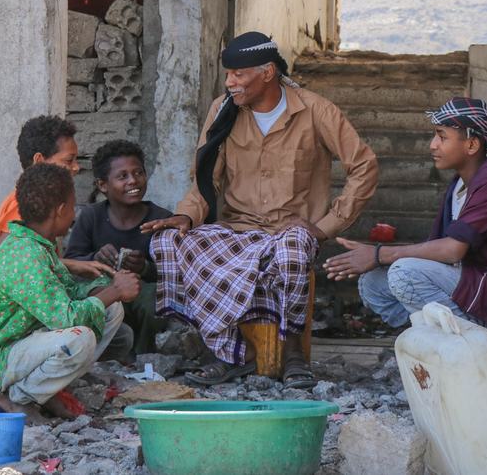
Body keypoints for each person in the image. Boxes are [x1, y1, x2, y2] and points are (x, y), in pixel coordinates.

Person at [142, 31, 379, 388]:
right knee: (169, 242)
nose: (230, 82)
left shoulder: (316, 110)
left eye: (238, 74)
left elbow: (364, 166)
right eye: (227, 75)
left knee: (294, 247)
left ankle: (293, 352)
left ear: (267, 73)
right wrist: (186, 216)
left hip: (291, 232)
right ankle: (229, 351)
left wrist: (327, 225)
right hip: (237, 230)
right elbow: (207, 180)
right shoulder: (223, 111)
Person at [325, 97, 487, 328]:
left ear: (472, 145)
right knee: (372, 282)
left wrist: (378, 255)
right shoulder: (460, 183)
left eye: (442, 137)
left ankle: (476, 339)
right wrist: (378, 258)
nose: (433, 144)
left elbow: (452, 250)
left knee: (403, 273)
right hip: (469, 283)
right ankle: (432, 336)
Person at [0, 163, 141, 423]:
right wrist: (115, 290)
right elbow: (66, 318)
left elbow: (69, 292)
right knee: (80, 338)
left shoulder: (39, 245)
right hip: (0, 359)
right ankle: (18, 398)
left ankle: (48, 387)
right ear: (60, 210)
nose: (74, 214)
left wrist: (105, 288)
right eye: (72, 207)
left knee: (111, 310)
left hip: (26, 341)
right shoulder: (24, 254)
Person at [0, 115, 114, 324]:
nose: (76, 168)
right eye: (68, 160)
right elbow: (14, 264)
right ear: (39, 161)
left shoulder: (31, 200)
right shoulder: (21, 205)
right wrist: (72, 267)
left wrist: (71, 265)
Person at [65, 140, 172, 356]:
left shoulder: (161, 220)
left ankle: (144, 357)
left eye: (138, 173)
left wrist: (144, 269)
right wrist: (96, 258)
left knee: (154, 300)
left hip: (144, 299)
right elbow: (71, 264)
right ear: (103, 185)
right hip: (107, 296)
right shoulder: (91, 217)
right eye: (122, 176)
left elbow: (174, 273)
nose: (133, 181)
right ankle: (105, 354)